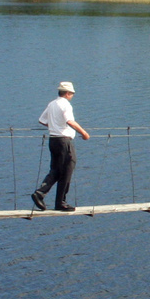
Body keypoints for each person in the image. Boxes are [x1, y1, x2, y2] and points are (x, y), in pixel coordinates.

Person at [32, 81, 90, 212]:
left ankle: (41, 194)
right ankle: (60, 201)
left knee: (56, 170)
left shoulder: (52, 104)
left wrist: (54, 127)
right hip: (64, 141)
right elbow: (70, 121)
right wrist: (84, 133)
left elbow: (42, 120)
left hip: (53, 140)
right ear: (68, 93)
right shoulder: (65, 105)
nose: (72, 96)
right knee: (67, 169)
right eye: (72, 94)